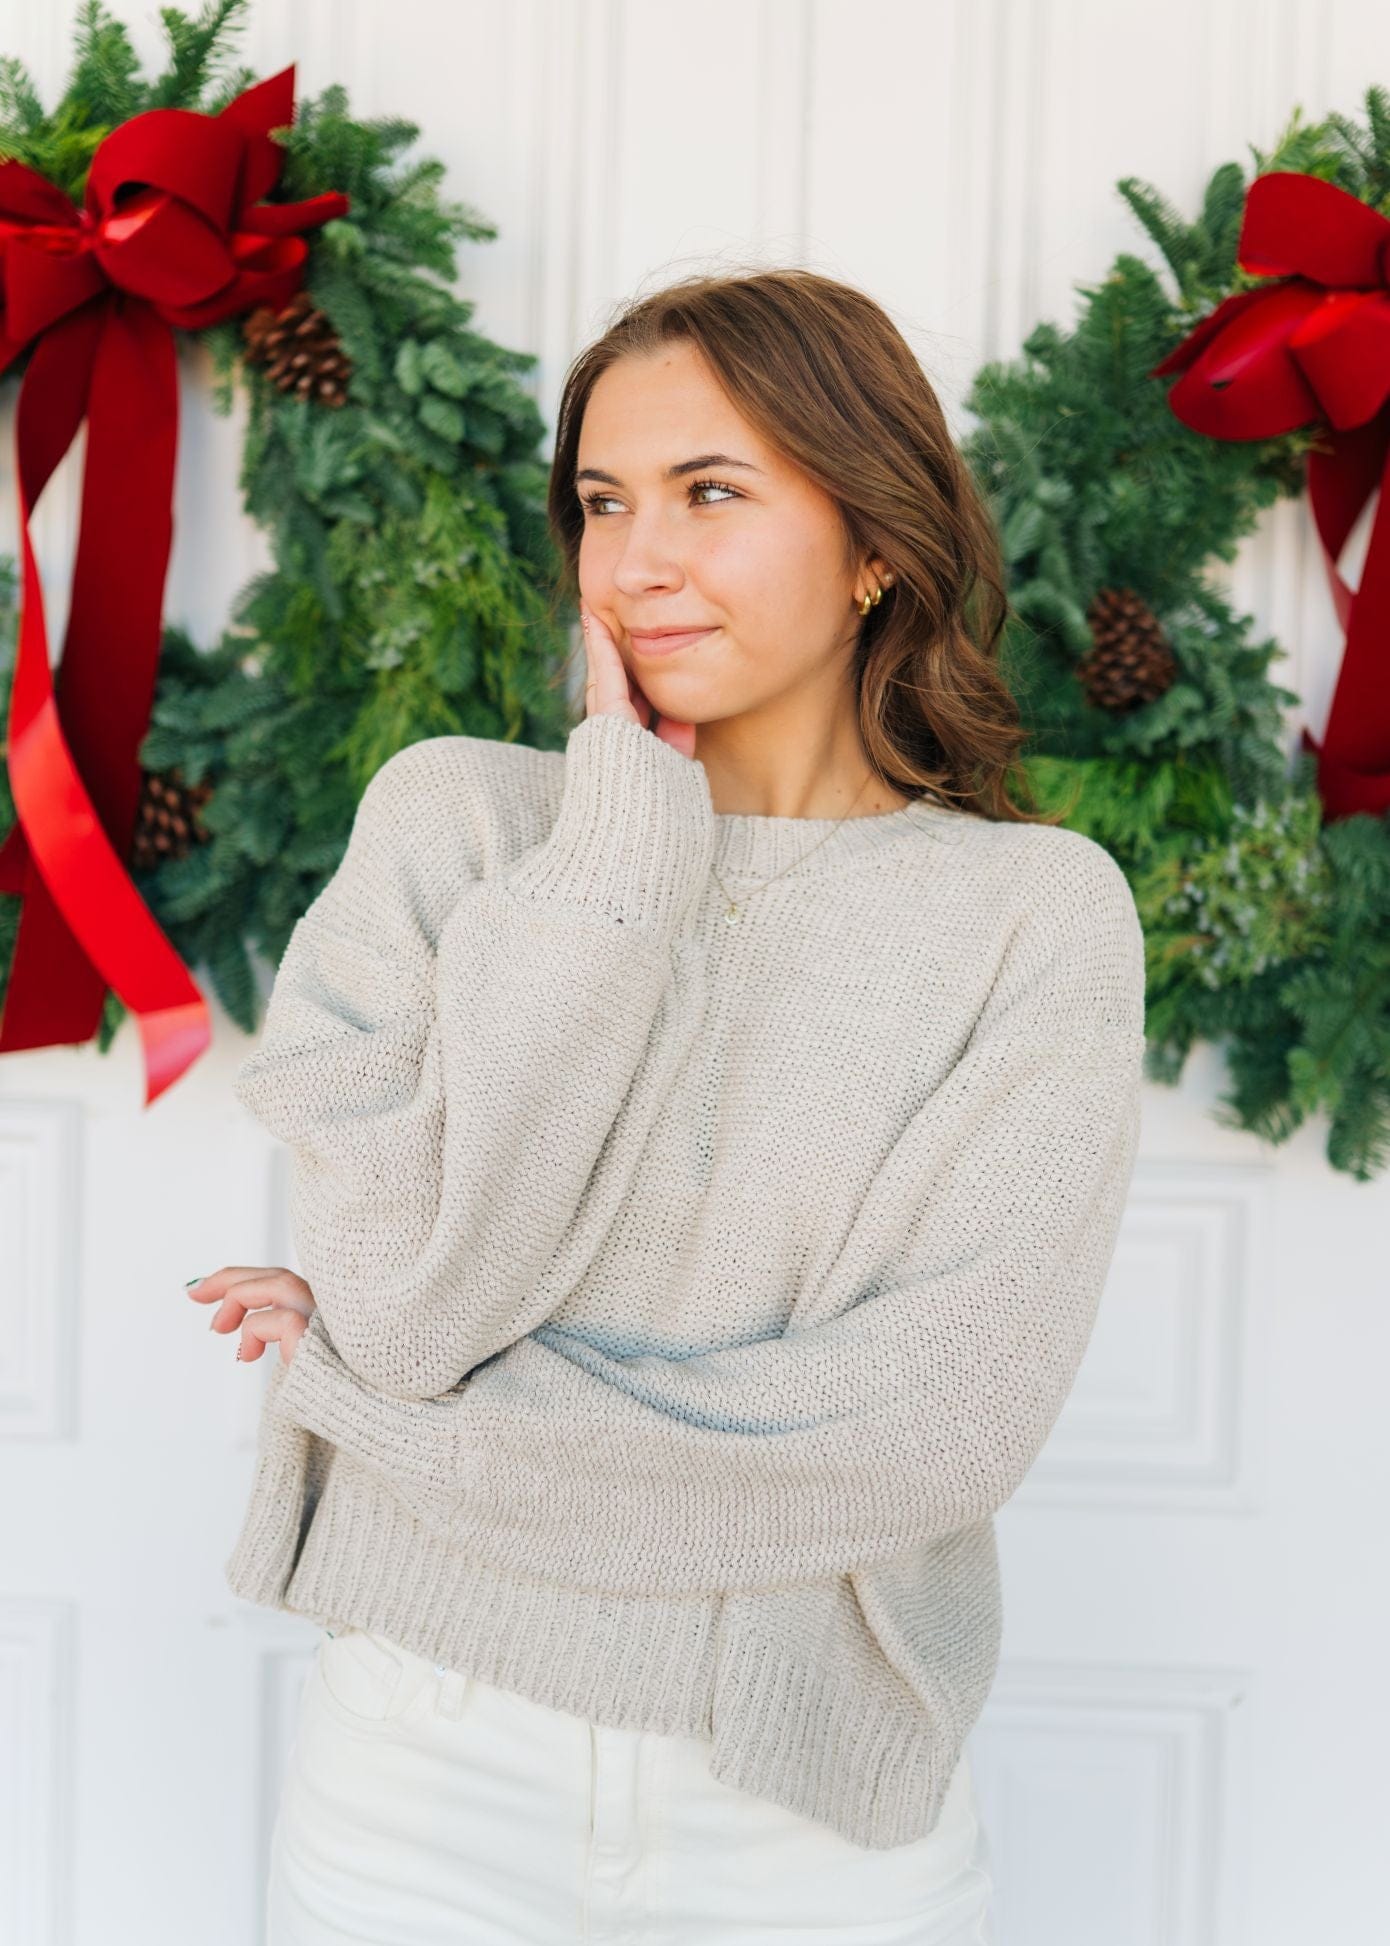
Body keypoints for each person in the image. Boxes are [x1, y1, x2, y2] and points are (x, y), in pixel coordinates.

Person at [192, 267, 1146, 1943]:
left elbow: (929, 1432)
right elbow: (413, 1311)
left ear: (872, 541)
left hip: (808, 1808)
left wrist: (390, 1420)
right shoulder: (457, 827)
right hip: (420, 1781)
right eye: (602, 500)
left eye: (710, 492)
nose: (634, 561)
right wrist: (622, 847)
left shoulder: (1035, 914)